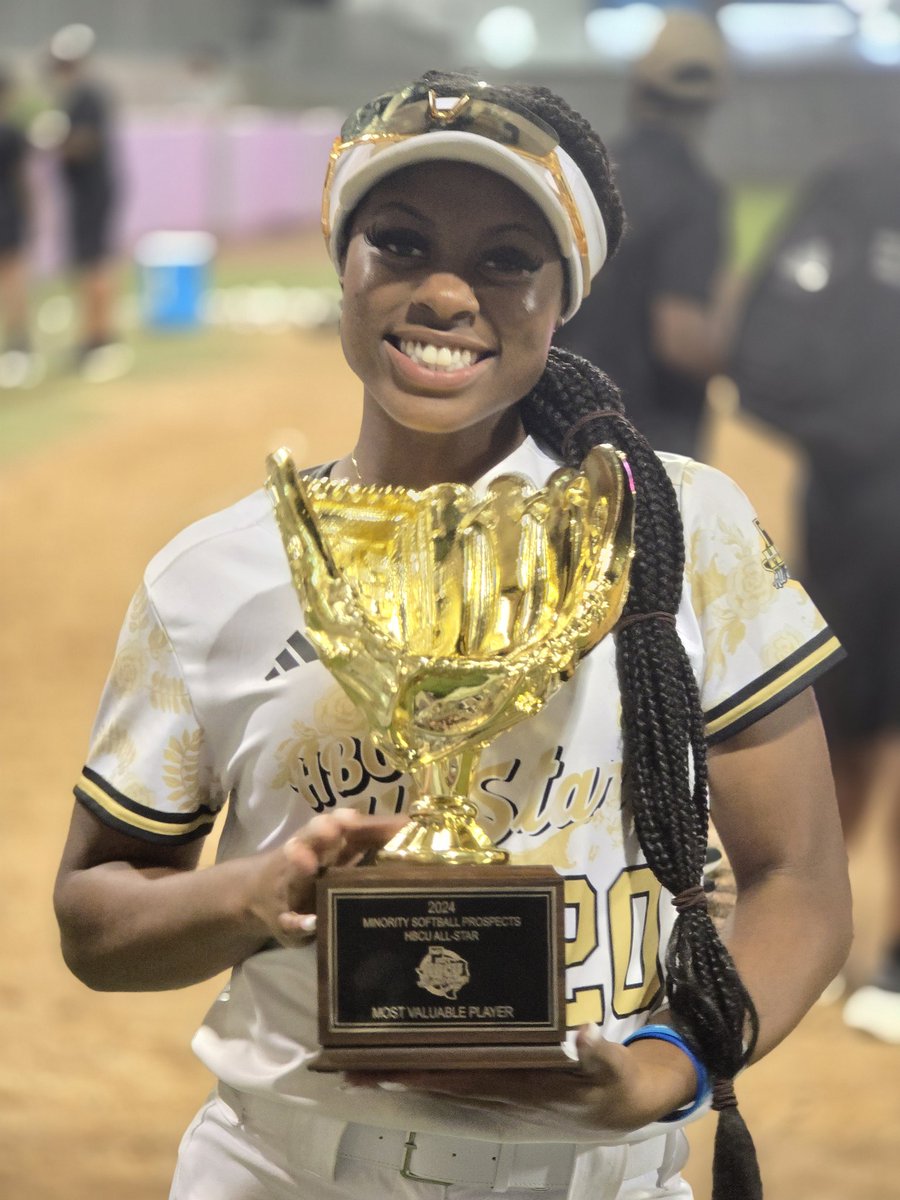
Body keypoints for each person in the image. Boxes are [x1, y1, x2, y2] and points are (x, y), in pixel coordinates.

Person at [54, 71, 852, 1200]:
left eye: (505, 259)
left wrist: (668, 1069)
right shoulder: (217, 574)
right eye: (398, 240)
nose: (443, 292)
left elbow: (801, 878)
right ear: (344, 266)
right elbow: (95, 918)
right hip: (290, 1170)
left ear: (562, 294)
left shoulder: (674, 528)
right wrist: (255, 894)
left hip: (606, 1175)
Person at [729, 139, 900, 1045]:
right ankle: (818, 933)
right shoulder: (851, 191)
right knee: (842, 724)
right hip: (859, 520)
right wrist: (858, 438)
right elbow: (758, 351)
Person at [555, 9, 734, 459]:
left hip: (557, 416)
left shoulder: (590, 174)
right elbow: (680, 336)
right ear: (711, 102)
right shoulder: (694, 192)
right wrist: (758, 358)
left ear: (637, 88)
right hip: (648, 441)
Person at [44, 23, 129, 381]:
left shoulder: (85, 95)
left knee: (94, 262)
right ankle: (92, 335)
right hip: (89, 191)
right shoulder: (82, 94)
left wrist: (55, 143)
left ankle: (99, 337)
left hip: (92, 191)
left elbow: (84, 143)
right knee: (90, 263)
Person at [0, 64, 39, 389]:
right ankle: (19, 345)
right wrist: (32, 215)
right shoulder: (12, 130)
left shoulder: (12, 131)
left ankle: (19, 347)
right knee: (13, 279)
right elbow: (22, 179)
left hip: (8, 212)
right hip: (8, 213)